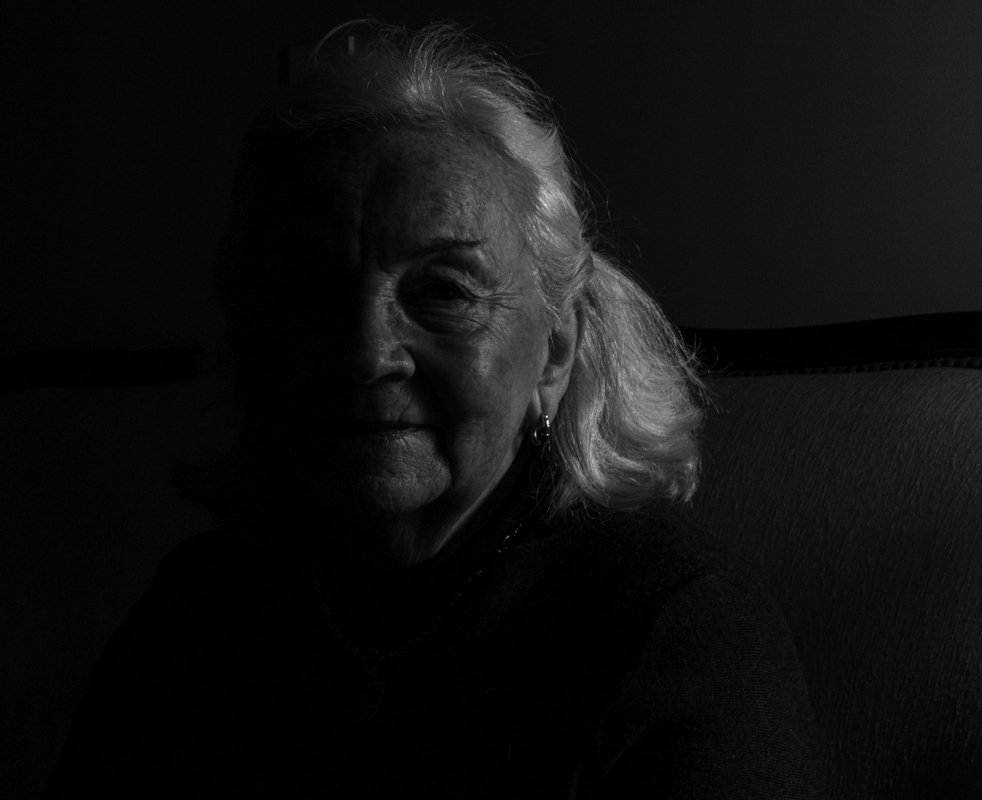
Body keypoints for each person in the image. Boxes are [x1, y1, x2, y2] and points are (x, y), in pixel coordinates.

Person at [45, 20, 824, 798]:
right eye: (308, 291)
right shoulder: (199, 608)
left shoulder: (673, 628)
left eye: (443, 291)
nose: (365, 353)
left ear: (555, 351)